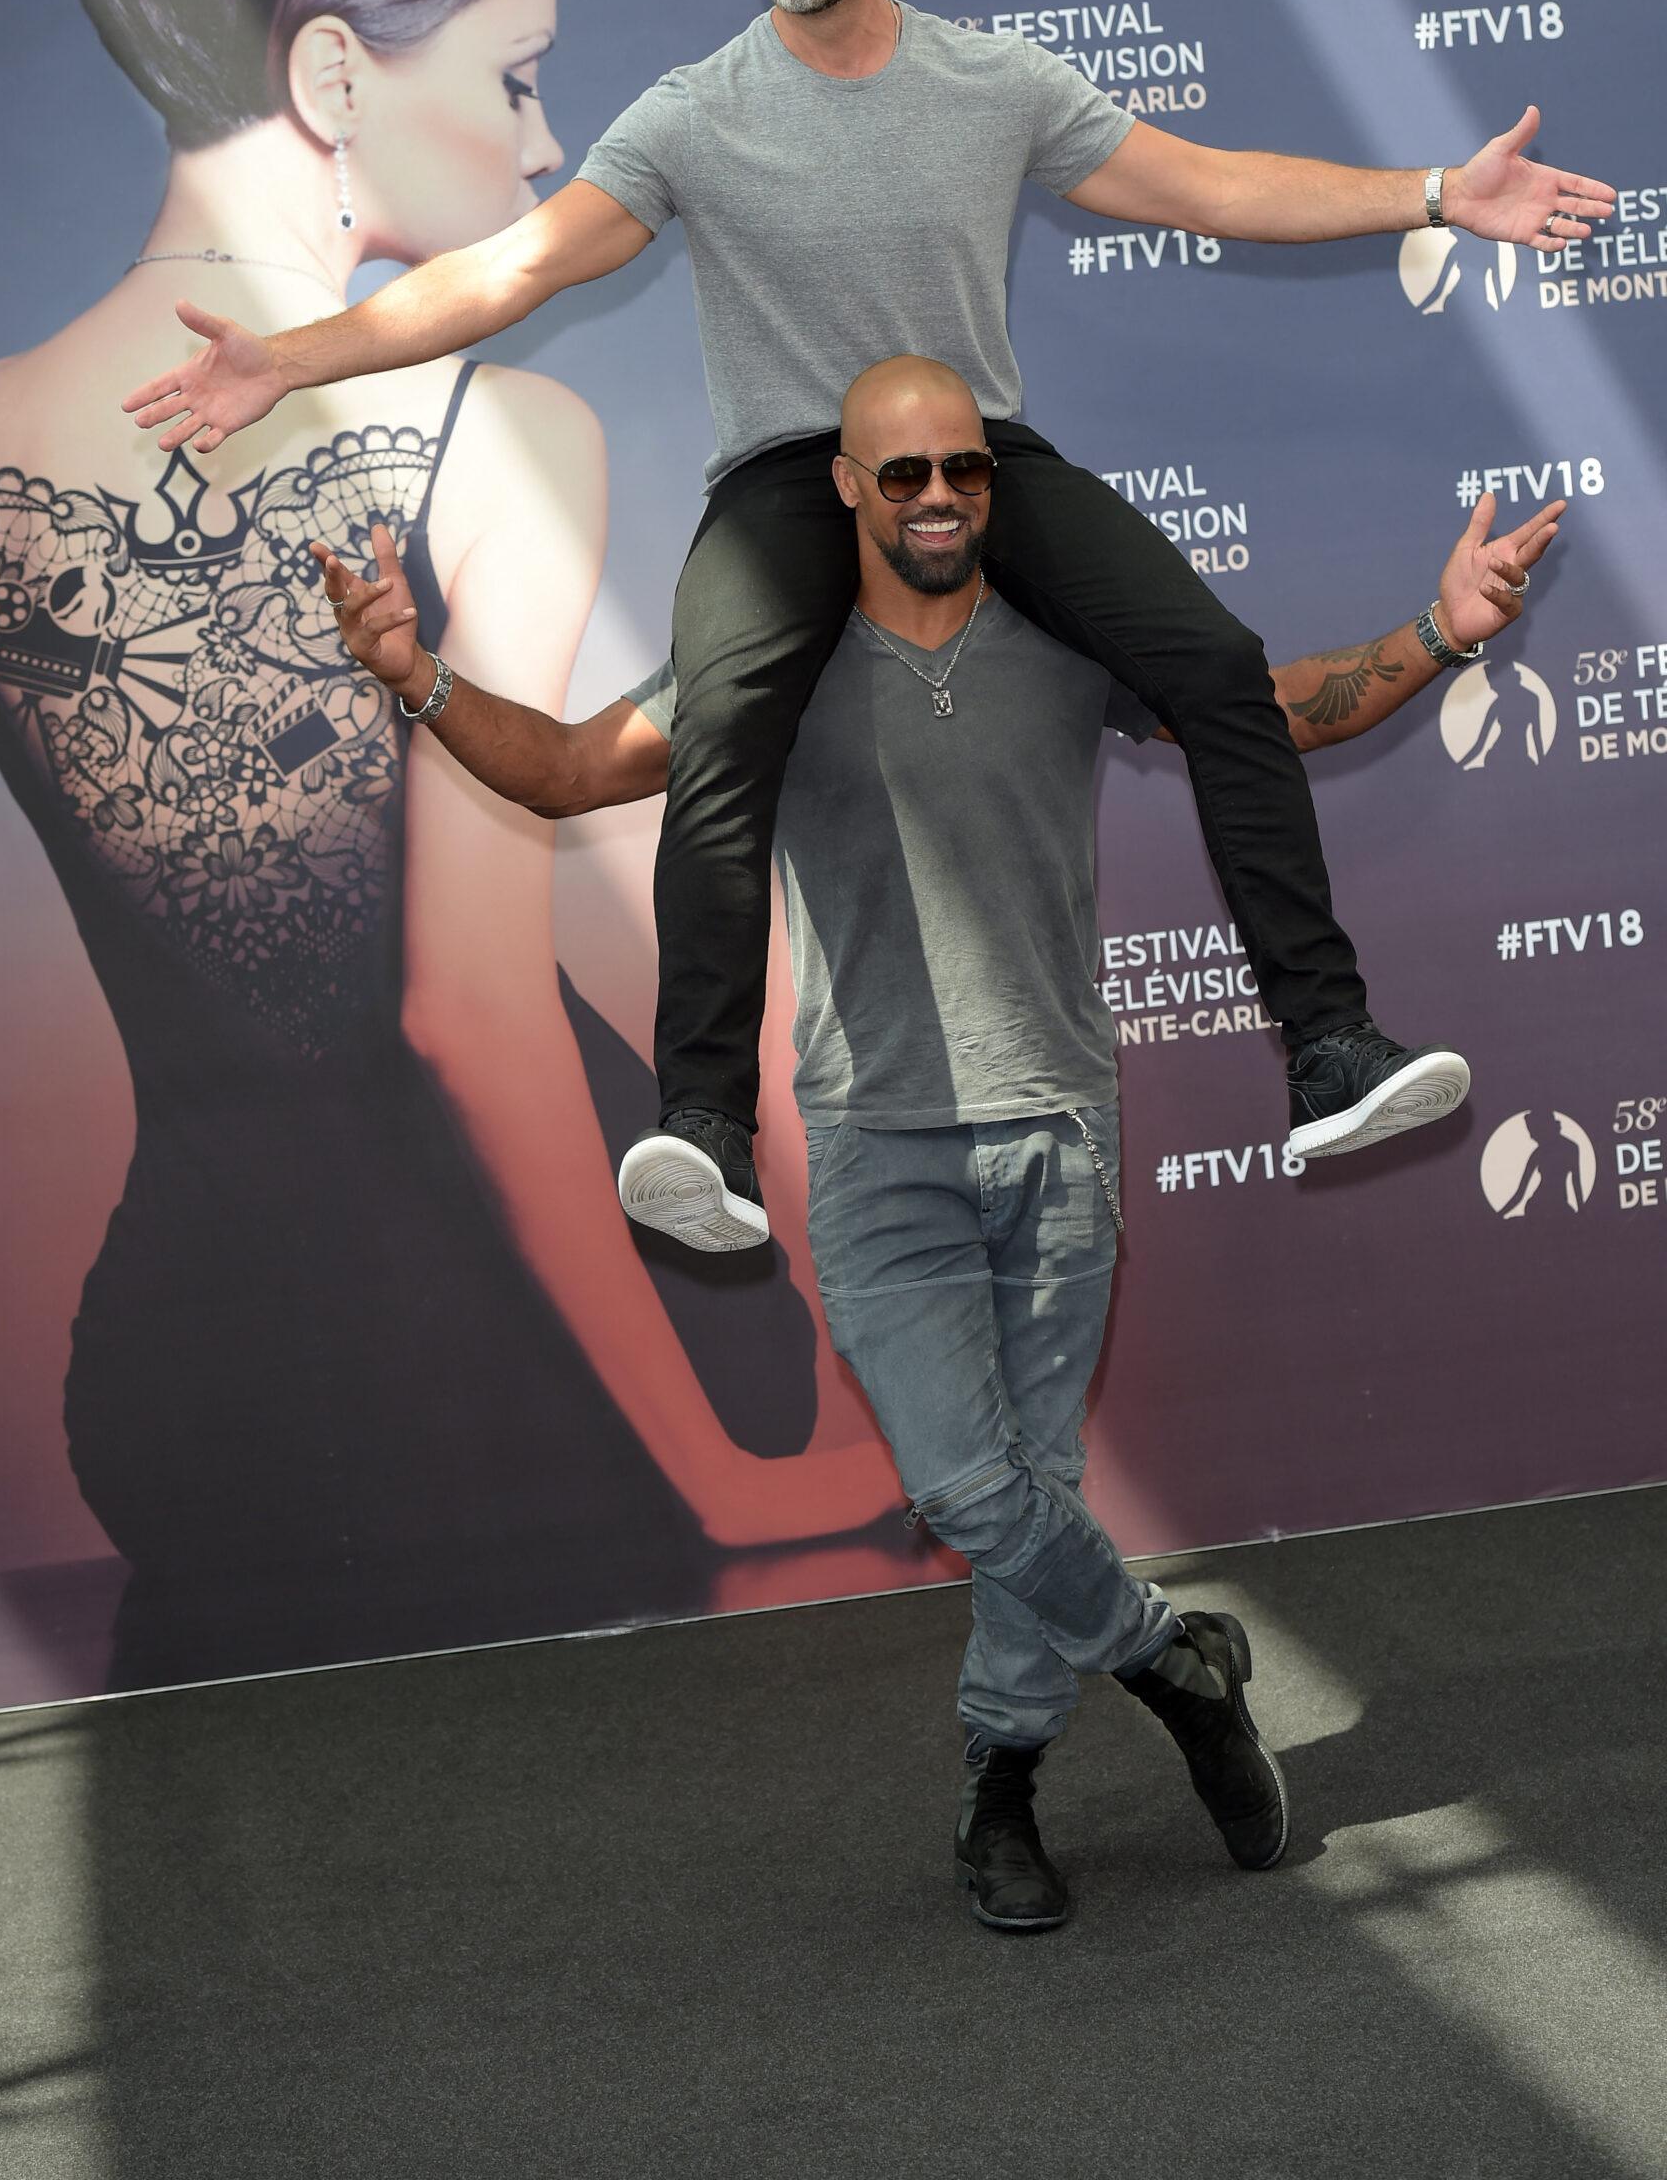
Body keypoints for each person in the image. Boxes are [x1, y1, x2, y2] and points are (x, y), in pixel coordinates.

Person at [127, 0, 1613, 1258]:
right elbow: (505, 273)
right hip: (791, 471)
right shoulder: (694, 116)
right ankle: (703, 1123)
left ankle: (1331, 1046)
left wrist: (1435, 193)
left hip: (975, 453)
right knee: (724, 721)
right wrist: (290, 353)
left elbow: (1210, 187)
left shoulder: (995, 82)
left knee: (1218, 670)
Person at [315, 350, 1563, 1928]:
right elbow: (565, 772)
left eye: (964, 472)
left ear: (997, 484)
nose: (936, 499)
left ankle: (1000, 1792)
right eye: (901, 474)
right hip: (876, 1139)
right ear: (844, 484)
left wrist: (1441, 631)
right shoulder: (766, 662)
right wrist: (412, 678)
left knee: (1028, 1483)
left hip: (1058, 1127)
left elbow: (1270, 710)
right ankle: (1178, 1666)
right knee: (973, 1487)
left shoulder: (1065, 642)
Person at [0, 0, 894, 1691]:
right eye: (523, 75)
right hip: (514, 1360)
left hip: (177, 1375)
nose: (554, 144)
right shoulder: (503, 429)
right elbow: (475, 1013)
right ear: (327, 72)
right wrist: (735, 1466)